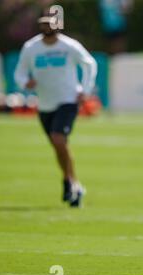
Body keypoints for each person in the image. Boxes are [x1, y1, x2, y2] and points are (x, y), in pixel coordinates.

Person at [14, 14, 97, 207]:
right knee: (59, 147)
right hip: (45, 104)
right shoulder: (31, 48)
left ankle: (71, 182)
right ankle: (72, 182)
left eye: (49, 24)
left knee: (58, 139)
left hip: (68, 100)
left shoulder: (69, 46)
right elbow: (19, 72)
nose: (46, 27)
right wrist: (25, 82)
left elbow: (89, 64)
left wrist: (85, 90)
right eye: (43, 24)